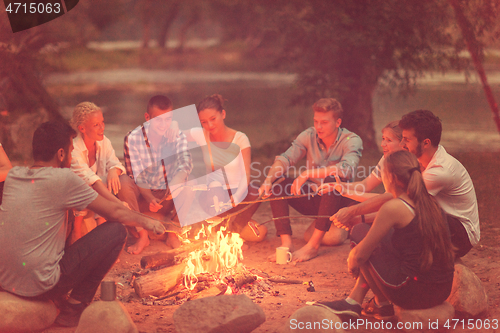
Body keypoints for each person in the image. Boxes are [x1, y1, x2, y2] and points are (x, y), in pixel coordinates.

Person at [0, 121, 167, 327]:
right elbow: (114, 212)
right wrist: (147, 222)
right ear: (61, 154)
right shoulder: (63, 178)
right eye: (71, 151)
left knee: (67, 214)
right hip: (42, 286)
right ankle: (75, 306)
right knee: (115, 232)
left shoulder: (14, 176)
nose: (71, 158)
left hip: (7, 282)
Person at [314, 150, 455, 319]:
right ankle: (379, 306)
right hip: (442, 289)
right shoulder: (430, 202)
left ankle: (377, 303)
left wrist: (353, 260)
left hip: (413, 292)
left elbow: (360, 256)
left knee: (360, 235)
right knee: (366, 232)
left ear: (392, 178)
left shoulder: (393, 207)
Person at [331, 110, 479, 258]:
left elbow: (397, 202)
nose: (402, 144)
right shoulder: (417, 160)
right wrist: (355, 212)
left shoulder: (439, 171)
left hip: (459, 234)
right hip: (435, 221)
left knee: (397, 219)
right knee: (378, 227)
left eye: (406, 140)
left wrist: (354, 214)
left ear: (426, 143)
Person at [259, 98, 363, 262]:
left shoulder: (352, 140)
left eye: (324, 122)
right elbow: (286, 159)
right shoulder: (308, 135)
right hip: (315, 198)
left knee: (331, 181)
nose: (318, 127)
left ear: (338, 122)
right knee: (278, 182)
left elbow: (347, 168)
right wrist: (268, 180)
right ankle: (286, 243)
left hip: (339, 201)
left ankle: (313, 246)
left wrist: (307, 174)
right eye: (316, 121)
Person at [118, 95, 193, 254]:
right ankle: (142, 235)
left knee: (189, 181)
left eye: (168, 120)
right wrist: (149, 198)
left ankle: (173, 234)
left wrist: (177, 181)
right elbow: (136, 176)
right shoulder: (133, 138)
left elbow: (186, 163)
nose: (163, 125)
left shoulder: (176, 135)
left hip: (166, 197)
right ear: (147, 117)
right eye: (158, 120)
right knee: (123, 181)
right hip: (142, 198)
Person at [184, 94, 264, 238]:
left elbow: (246, 173)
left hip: (235, 193)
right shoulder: (200, 134)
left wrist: (239, 193)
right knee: (215, 190)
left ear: (223, 114)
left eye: (213, 119)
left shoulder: (240, 138)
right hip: (212, 194)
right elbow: (174, 135)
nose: (210, 125)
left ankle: (232, 232)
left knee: (257, 192)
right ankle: (222, 231)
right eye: (204, 122)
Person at [315, 121, 402, 227]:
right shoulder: (385, 159)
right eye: (383, 139)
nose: (383, 144)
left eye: (389, 140)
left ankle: (318, 238)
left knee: (358, 227)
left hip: (396, 213)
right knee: (333, 182)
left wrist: (346, 193)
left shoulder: (406, 166)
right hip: (388, 209)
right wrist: (337, 186)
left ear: (403, 143)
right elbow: (366, 185)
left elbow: (389, 199)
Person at [69, 102, 127, 243]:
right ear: (82, 128)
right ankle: (76, 233)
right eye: (96, 125)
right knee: (86, 185)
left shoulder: (104, 142)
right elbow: (91, 180)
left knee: (113, 179)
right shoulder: (74, 148)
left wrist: (113, 170)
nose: (102, 128)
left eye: (102, 122)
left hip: (95, 196)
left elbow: (116, 163)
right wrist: (118, 203)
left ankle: (102, 228)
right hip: (76, 198)